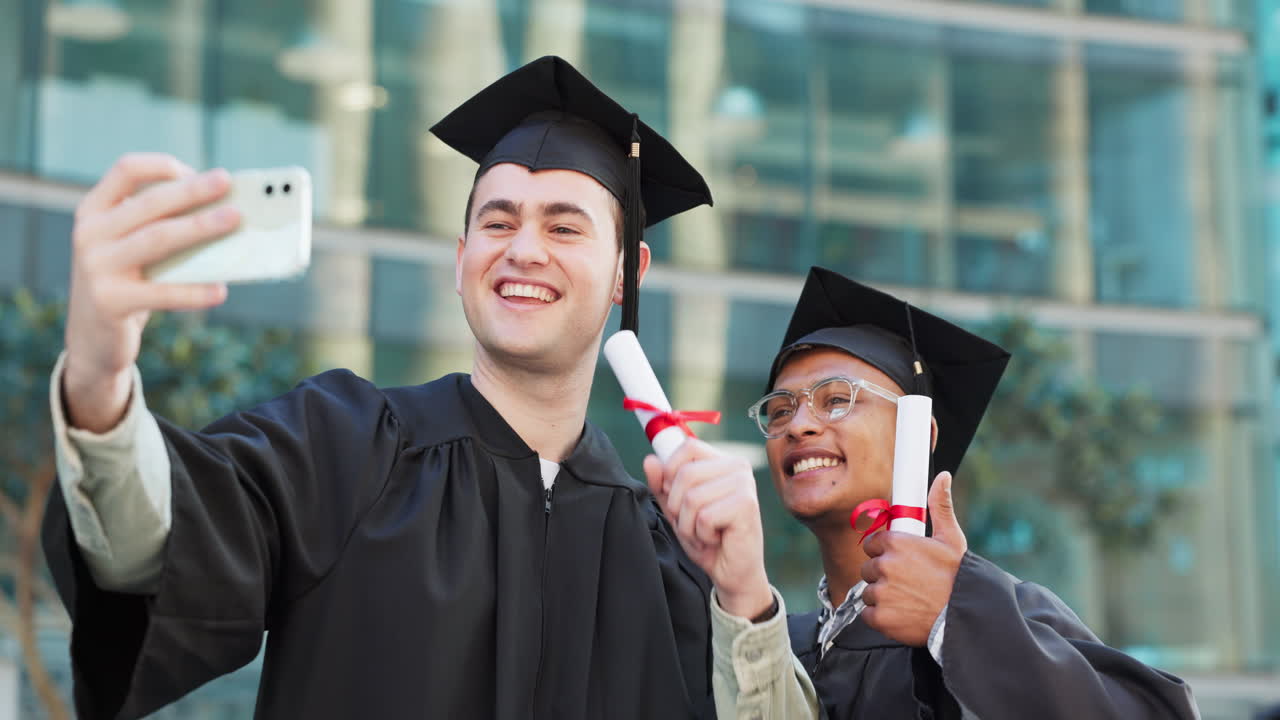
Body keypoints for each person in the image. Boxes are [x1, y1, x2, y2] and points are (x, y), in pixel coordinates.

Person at [41, 56, 725, 719]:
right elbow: (160, 545)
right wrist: (98, 384)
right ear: (462, 263)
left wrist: (747, 596)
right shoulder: (344, 447)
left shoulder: (668, 556)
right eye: (497, 222)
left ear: (624, 276)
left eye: (564, 226)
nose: (523, 249)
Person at [660, 266, 1202, 719]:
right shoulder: (774, 639)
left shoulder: (1000, 613)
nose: (799, 425)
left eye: (837, 399)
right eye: (781, 409)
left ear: (921, 436)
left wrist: (952, 618)